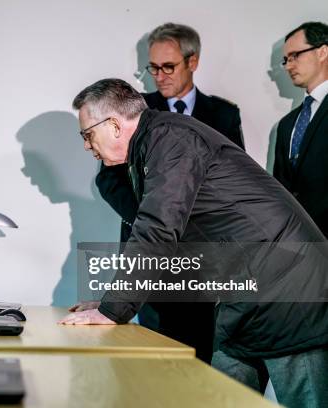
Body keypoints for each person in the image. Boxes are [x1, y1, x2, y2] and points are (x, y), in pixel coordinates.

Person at [60, 78, 328, 407]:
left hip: (288, 291)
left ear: (114, 125)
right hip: (246, 295)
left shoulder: (170, 140)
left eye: (87, 135)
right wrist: (109, 306)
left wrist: (112, 310)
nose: (87, 146)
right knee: (220, 399)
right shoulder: (154, 144)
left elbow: (156, 231)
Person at [94, 22, 245, 364]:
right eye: (152, 67)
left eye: (168, 67)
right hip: (149, 251)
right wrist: (155, 220)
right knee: (152, 355)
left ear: (193, 62)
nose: (158, 76)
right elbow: (109, 180)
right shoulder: (134, 111)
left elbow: (228, 188)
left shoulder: (223, 114)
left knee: (197, 357)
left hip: (201, 260)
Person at [273, 21, 328, 238]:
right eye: (286, 60)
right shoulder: (287, 124)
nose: (288, 66)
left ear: (323, 52)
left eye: (295, 55)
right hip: (296, 246)